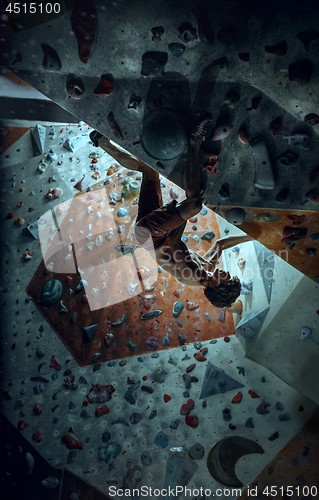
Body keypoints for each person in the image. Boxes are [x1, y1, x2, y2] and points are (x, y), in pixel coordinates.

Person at [90, 121, 251, 307]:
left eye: (227, 279)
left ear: (216, 286)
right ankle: (102, 142)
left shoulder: (192, 276)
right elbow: (220, 245)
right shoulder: (207, 269)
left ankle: (195, 141)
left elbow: (173, 242)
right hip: (153, 234)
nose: (227, 274)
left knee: (194, 205)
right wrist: (248, 238)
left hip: (152, 236)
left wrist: (184, 212)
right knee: (150, 172)